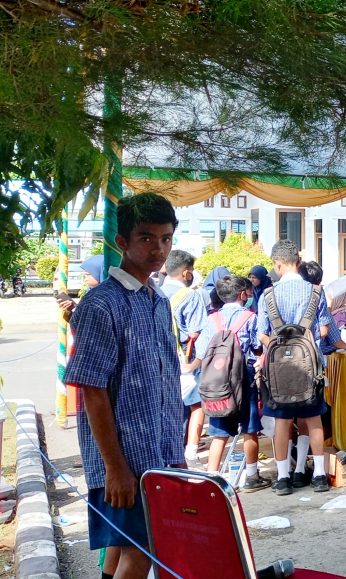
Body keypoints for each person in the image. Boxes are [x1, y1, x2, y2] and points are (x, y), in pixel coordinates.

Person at [64, 193, 185, 578]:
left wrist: (175, 453)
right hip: (124, 461)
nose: (158, 249)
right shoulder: (101, 304)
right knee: (144, 549)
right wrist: (115, 468)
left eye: (166, 238)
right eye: (147, 238)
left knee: (124, 546)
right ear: (122, 242)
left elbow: (165, 383)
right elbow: (91, 391)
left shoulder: (158, 301)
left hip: (158, 456)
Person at [257, 240, 346, 496]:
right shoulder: (315, 292)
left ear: (277, 265)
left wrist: (280, 348)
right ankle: (316, 474)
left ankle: (282, 478)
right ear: (298, 263)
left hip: (279, 372)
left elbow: (261, 334)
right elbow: (324, 330)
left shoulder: (268, 295)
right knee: (312, 419)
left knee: (282, 421)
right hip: (310, 368)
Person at [194, 275, 271, 492]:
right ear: (241, 294)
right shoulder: (249, 317)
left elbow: (201, 351)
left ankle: (213, 478)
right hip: (243, 379)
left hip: (217, 382)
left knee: (219, 433)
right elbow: (257, 346)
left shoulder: (212, 319)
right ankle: (252, 476)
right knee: (249, 429)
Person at [160, 250, 208, 468]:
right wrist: (195, 364)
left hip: (160, 362)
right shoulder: (190, 296)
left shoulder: (154, 292)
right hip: (185, 361)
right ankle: (188, 451)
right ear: (187, 273)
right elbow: (200, 334)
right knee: (194, 405)